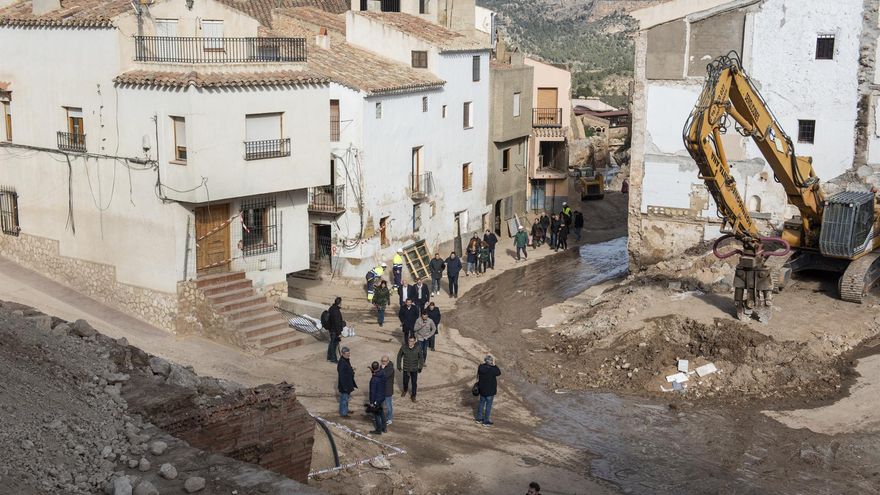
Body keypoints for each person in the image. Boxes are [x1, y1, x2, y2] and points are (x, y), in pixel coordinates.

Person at [475, 354, 501, 426]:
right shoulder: (492, 369)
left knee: (481, 403)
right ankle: (486, 421)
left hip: (482, 389)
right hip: (490, 391)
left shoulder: (481, 367)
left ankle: (479, 418)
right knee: (488, 406)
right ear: (491, 361)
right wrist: (494, 365)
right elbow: (499, 373)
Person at [396, 336, 424, 402]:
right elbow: (399, 356)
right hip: (406, 368)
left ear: (414, 342)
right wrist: (398, 366)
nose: (410, 343)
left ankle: (413, 395)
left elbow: (421, 358)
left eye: (412, 341)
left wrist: (420, 367)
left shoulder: (418, 348)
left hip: (414, 369)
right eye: (409, 341)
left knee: (414, 383)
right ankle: (405, 390)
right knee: (405, 381)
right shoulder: (404, 347)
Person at [336, 346, 356, 417]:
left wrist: (351, 369)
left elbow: (347, 369)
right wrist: (344, 387)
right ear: (343, 354)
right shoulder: (342, 363)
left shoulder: (346, 360)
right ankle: (343, 413)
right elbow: (341, 376)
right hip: (345, 386)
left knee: (346, 398)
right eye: (347, 354)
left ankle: (346, 410)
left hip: (348, 384)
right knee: (344, 399)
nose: (349, 355)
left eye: (349, 353)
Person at [368, 361, 387, 435]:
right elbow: (378, 372)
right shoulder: (383, 374)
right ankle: (384, 428)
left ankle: (379, 430)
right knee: (381, 413)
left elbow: (372, 392)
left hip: (376, 399)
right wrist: (373, 371)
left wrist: (372, 402)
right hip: (382, 397)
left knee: (376, 415)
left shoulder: (374, 379)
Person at [327, 297, 345, 363]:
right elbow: (337, 323)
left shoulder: (331, 308)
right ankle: (333, 359)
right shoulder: (336, 311)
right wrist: (339, 333)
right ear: (339, 303)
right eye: (341, 302)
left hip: (331, 329)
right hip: (335, 331)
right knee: (334, 345)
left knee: (331, 344)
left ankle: (329, 357)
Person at [380, 354, 395, 425]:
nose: (383, 362)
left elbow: (385, 376)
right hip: (381, 389)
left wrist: (382, 369)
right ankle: (380, 417)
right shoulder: (381, 367)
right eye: (382, 361)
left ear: (388, 361)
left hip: (388, 390)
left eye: (385, 361)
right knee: (380, 405)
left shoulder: (390, 368)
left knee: (388, 406)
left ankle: (389, 419)